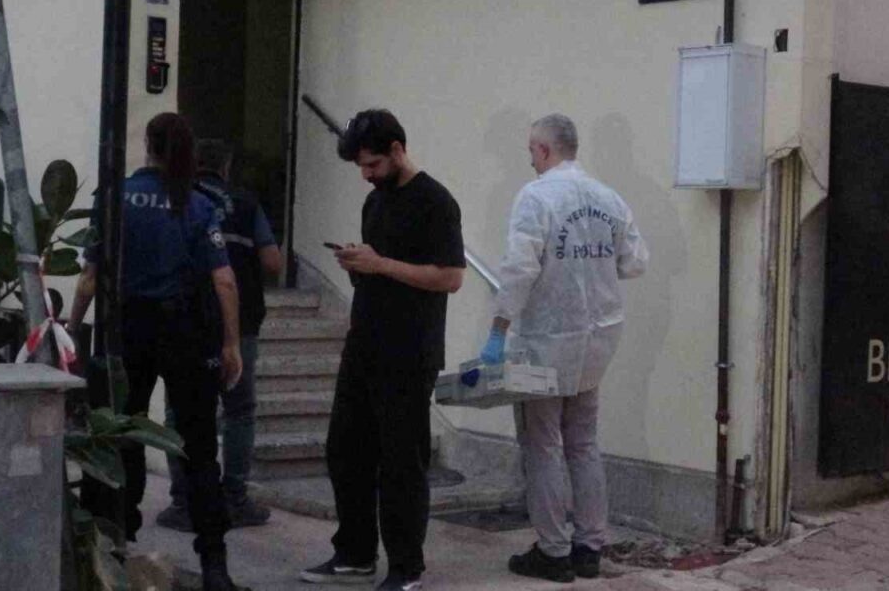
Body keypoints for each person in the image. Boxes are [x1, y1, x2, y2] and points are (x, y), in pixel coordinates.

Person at [66, 113, 249, 591]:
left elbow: (89, 278)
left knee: (119, 435)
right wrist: (231, 343)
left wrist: (71, 329)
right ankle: (214, 566)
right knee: (199, 449)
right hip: (187, 333)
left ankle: (114, 549)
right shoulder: (198, 202)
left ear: (147, 144)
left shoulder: (114, 198)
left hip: (127, 331)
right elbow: (224, 280)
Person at [300, 109, 466, 591]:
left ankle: (405, 568)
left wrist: (381, 264)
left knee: (401, 461)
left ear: (397, 150)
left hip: (409, 350)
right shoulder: (375, 202)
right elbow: (379, 267)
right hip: (365, 342)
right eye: (361, 167)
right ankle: (354, 553)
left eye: (372, 164)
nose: (367, 175)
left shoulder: (435, 202)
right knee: (345, 449)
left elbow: (450, 277)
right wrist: (358, 263)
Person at [481, 113, 648, 583]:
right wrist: (593, 267)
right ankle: (589, 547)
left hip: (548, 340)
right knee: (584, 441)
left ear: (543, 150)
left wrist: (498, 329)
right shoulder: (608, 198)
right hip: (599, 337)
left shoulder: (536, 197)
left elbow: (519, 269)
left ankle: (552, 552)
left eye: (530, 151)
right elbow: (636, 262)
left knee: (543, 444)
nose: (529, 160)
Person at [156, 139, 283, 531]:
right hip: (239, 323)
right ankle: (235, 499)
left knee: (180, 410)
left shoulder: (177, 201)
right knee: (239, 410)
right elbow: (273, 262)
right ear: (226, 167)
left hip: (185, 320)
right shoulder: (245, 203)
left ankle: (184, 502)